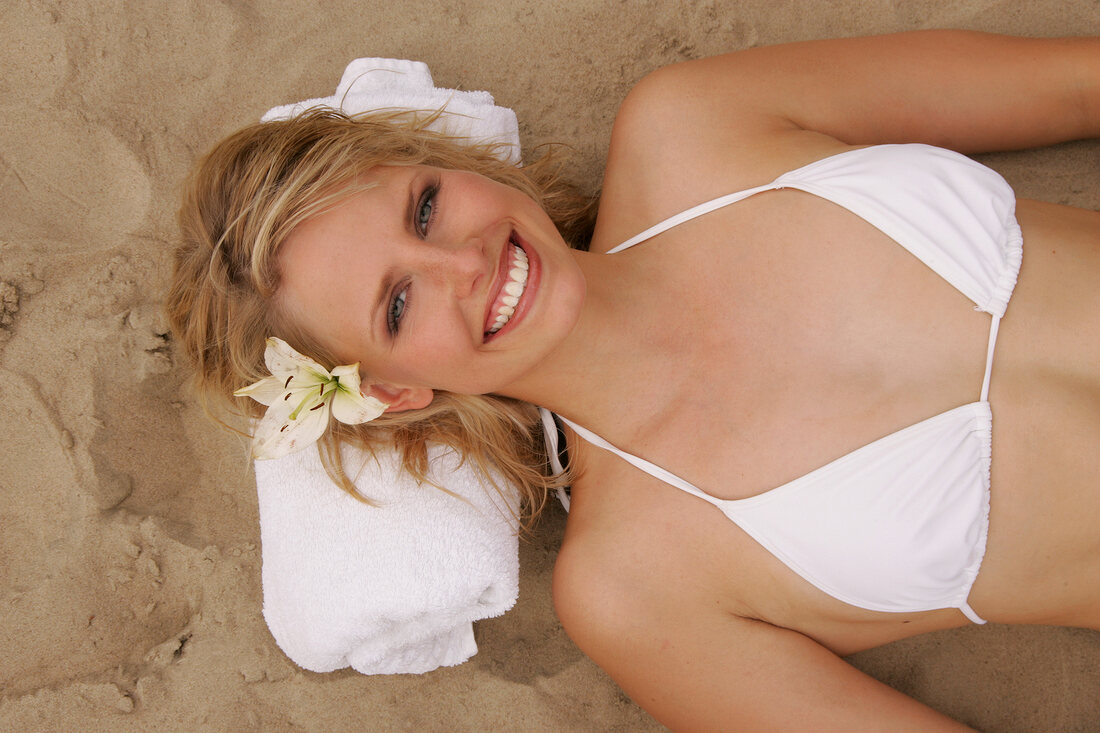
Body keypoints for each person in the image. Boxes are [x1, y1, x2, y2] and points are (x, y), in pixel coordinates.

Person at [166, 30, 1100, 731]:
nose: (466, 260)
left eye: (425, 206)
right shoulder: (632, 590)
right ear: (396, 391)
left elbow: (1077, 79)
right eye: (399, 306)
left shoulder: (691, 125)